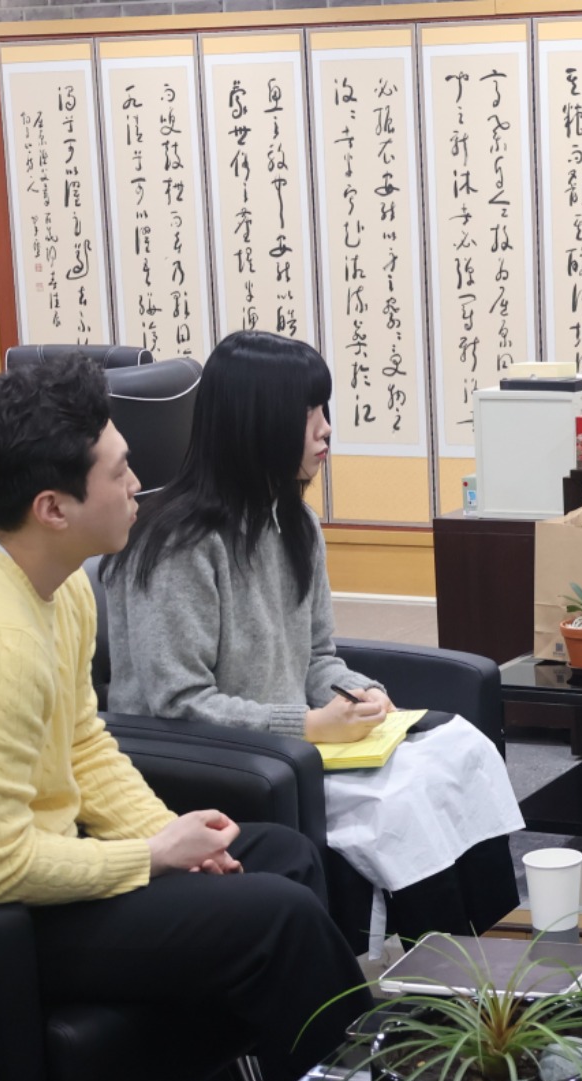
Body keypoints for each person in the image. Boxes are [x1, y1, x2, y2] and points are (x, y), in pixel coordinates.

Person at [0, 356, 367, 1081]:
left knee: (281, 855)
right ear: (54, 507)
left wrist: (172, 837)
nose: (138, 484)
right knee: (279, 917)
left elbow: (83, 743)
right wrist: (152, 855)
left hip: (32, 870)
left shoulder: (56, 581)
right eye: (119, 472)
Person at [101, 330, 524, 950]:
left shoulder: (294, 521)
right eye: (310, 414)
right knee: (405, 804)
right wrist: (306, 726)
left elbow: (318, 657)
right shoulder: (178, 548)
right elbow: (178, 703)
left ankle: (496, 956)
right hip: (235, 761)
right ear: (258, 423)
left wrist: (359, 693)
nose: (326, 430)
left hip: (300, 745)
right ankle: (440, 979)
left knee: (459, 751)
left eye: (325, 409)